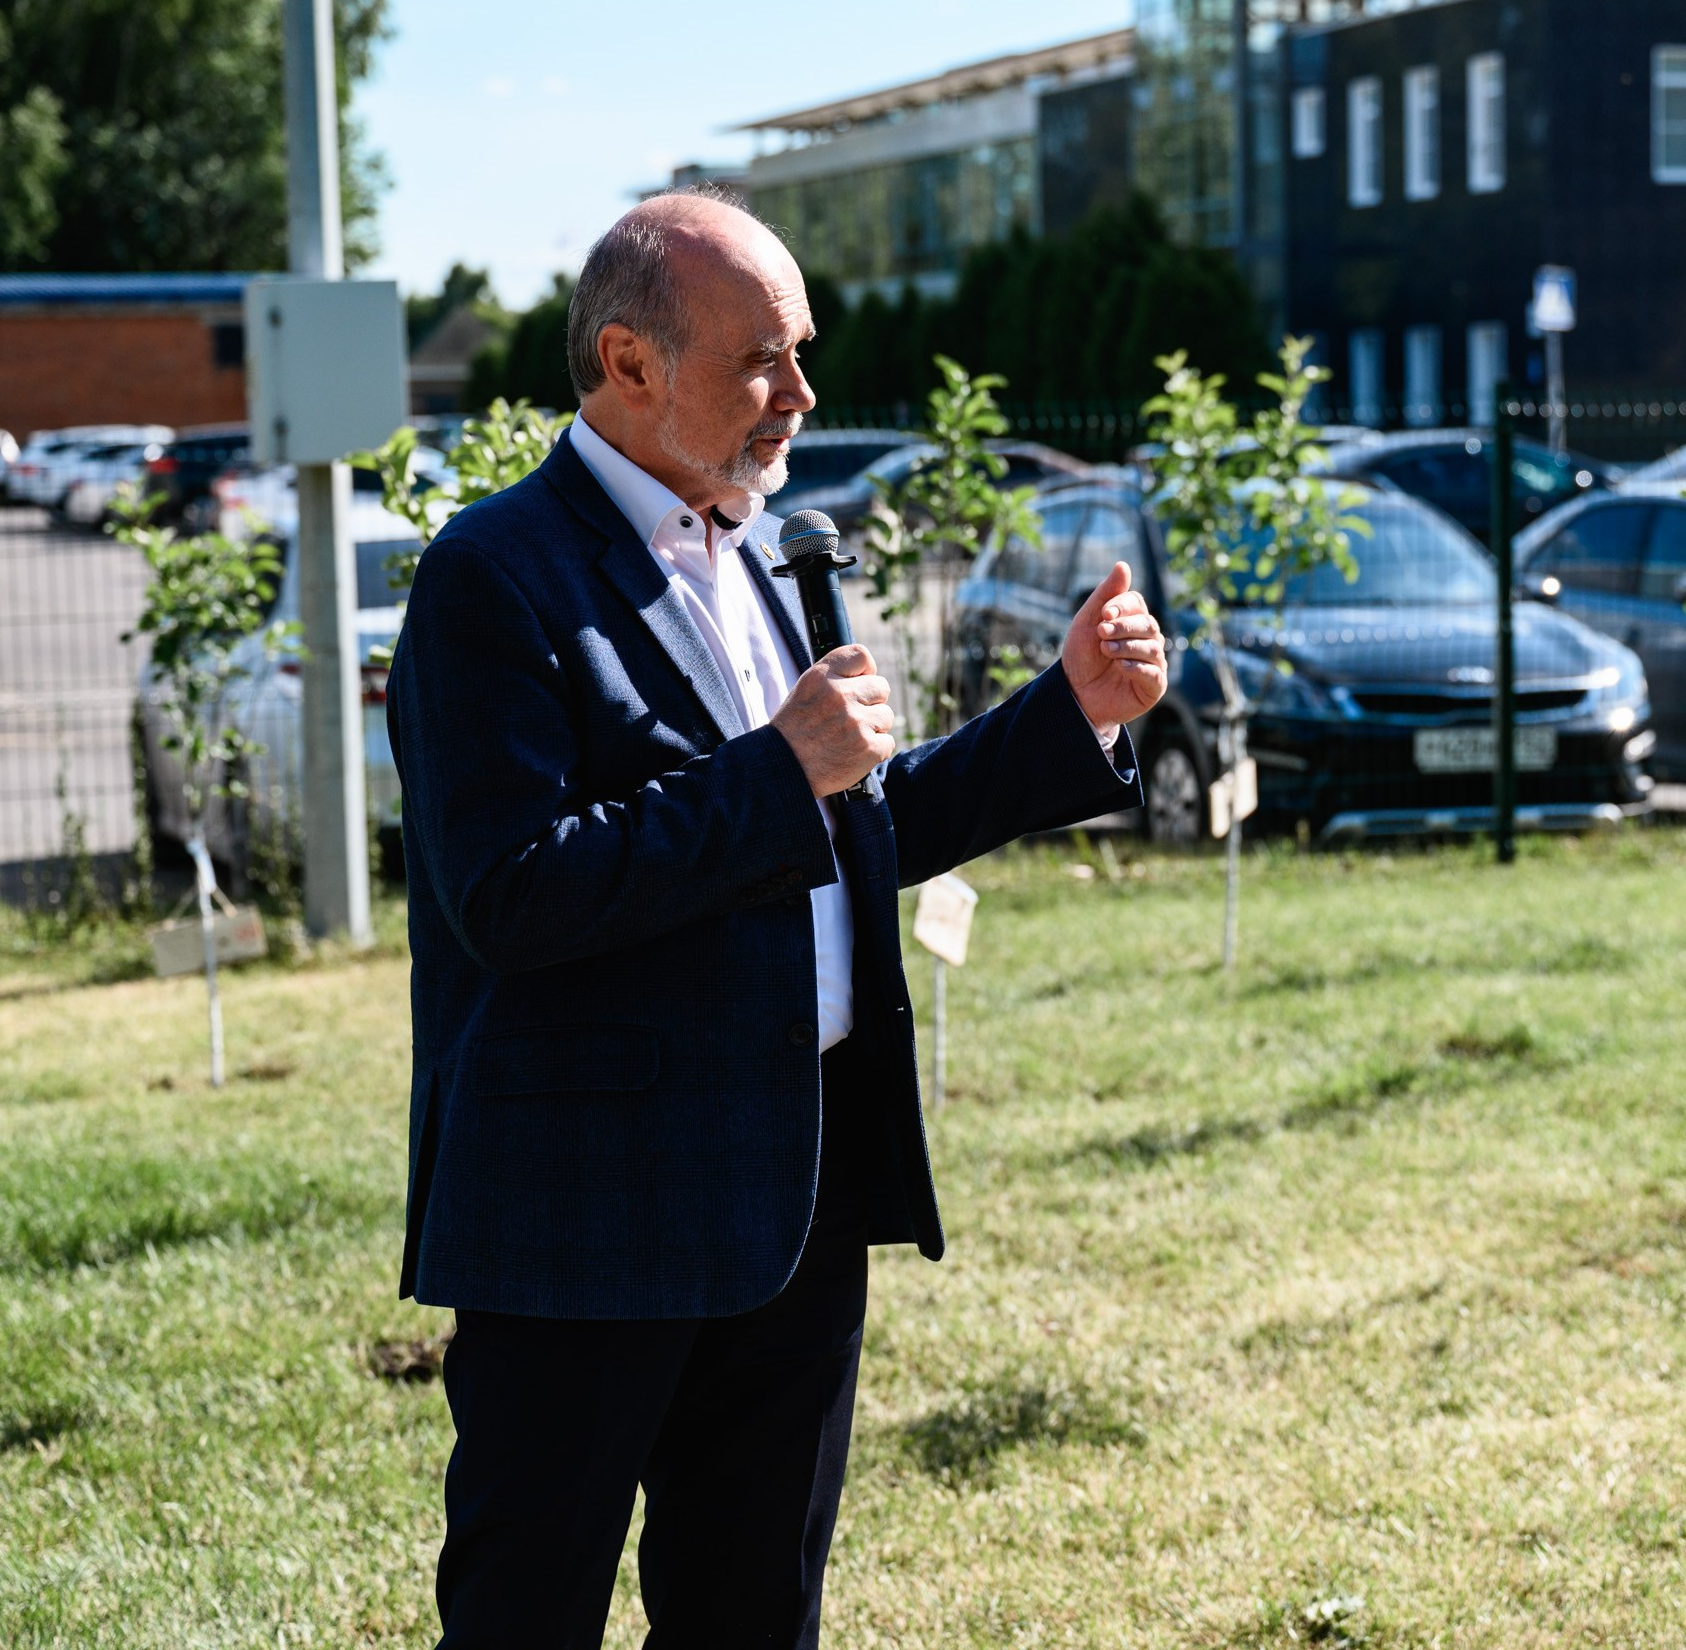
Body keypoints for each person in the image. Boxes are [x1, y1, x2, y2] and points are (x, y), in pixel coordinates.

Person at [385, 186, 1168, 1647]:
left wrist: (1071, 716)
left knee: (753, 1619)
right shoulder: (490, 578)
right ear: (629, 365)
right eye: (764, 359)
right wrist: (777, 772)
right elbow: (508, 895)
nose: (801, 394)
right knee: (525, 1616)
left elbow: (854, 826)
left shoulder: (766, 552)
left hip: (793, 1194)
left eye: (801, 354)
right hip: (587, 1210)